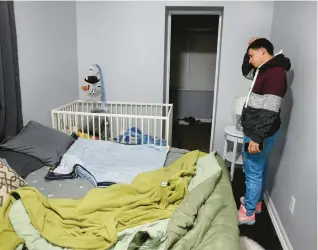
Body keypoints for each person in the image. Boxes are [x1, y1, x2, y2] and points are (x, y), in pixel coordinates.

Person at [238, 37, 291, 225]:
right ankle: (257, 202)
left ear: (263, 51)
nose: (249, 59)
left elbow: (270, 110)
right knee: (260, 167)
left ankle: (248, 213)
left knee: (252, 170)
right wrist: (248, 48)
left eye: (251, 55)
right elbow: (246, 72)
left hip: (260, 133)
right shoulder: (263, 70)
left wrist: (256, 137)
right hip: (260, 131)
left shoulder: (275, 74)